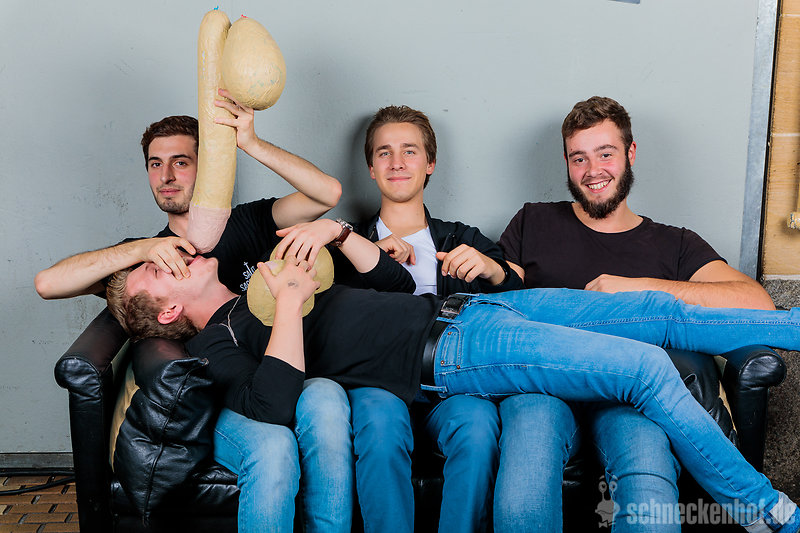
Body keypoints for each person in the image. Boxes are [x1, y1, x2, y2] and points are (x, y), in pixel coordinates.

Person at [105, 220, 800, 533]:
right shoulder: (219, 343)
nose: (174, 256)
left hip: (474, 305)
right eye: (158, 269)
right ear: (166, 310)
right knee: (644, 368)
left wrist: (333, 233)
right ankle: (763, 509)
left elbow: (385, 281)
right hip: (455, 351)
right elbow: (275, 402)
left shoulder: (254, 278)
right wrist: (289, 301)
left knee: (656, 312)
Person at [35, 94, 352, 532]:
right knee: (273, 445)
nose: (165, 176)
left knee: (326, 398)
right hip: (218, 403)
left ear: (207, 170)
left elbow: (327, 193)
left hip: (280, 373)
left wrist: (251, 142)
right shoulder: (147, 266)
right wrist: (143, 249)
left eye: (180, 162)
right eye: (155, 164)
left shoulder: (249, 222)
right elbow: (47, 284)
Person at [497, 96, 777, 532]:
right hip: (543, 390)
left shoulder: (673, 244)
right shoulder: (533, 222)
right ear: (567, 163)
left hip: (631, 399)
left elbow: (759, 304)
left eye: (605, 154)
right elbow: (501, 306)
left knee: (649, 490)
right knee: (523, 489)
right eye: (579, 158)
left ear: (630, 153)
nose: (593, 171)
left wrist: (640, 287)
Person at [344, 105, 522, 532]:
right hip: (381, 383)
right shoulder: (349, 243)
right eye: (384, 153)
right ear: (371, 168)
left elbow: (518, 301)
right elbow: (328, 313)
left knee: (478, 427)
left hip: (451, 385)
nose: (397, 162)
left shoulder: (462, 239)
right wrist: (371, 260)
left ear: (430, 164)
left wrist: (492, 269)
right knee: (378, 427)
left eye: (410, 151)